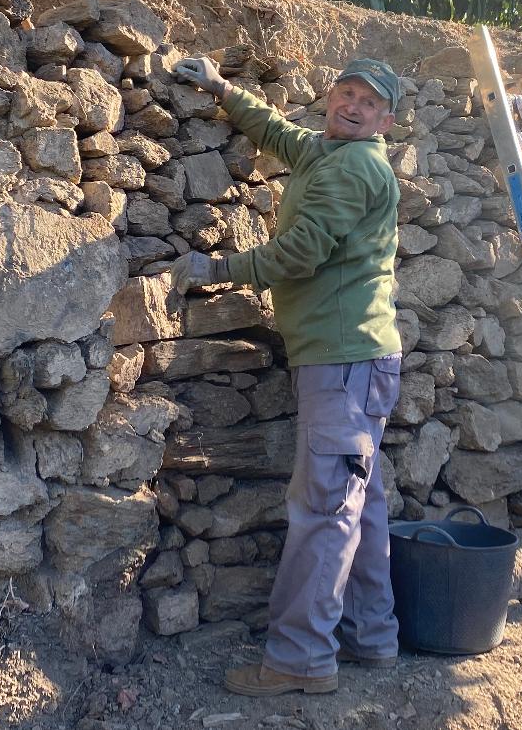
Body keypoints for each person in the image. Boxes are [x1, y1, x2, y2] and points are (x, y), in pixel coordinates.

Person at [170, 55, 404, 697]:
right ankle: (370, 633)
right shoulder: (330, 152)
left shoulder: (355, 166)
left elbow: (299, 253)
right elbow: (282, 135)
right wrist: (222, 90)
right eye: (345, 92)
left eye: (367, 102)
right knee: (360, 504)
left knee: (325, 509)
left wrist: (213, 269)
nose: (351, 105)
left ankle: (301, 659)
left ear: (385, 119)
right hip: (358, 359)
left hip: (342, 358)